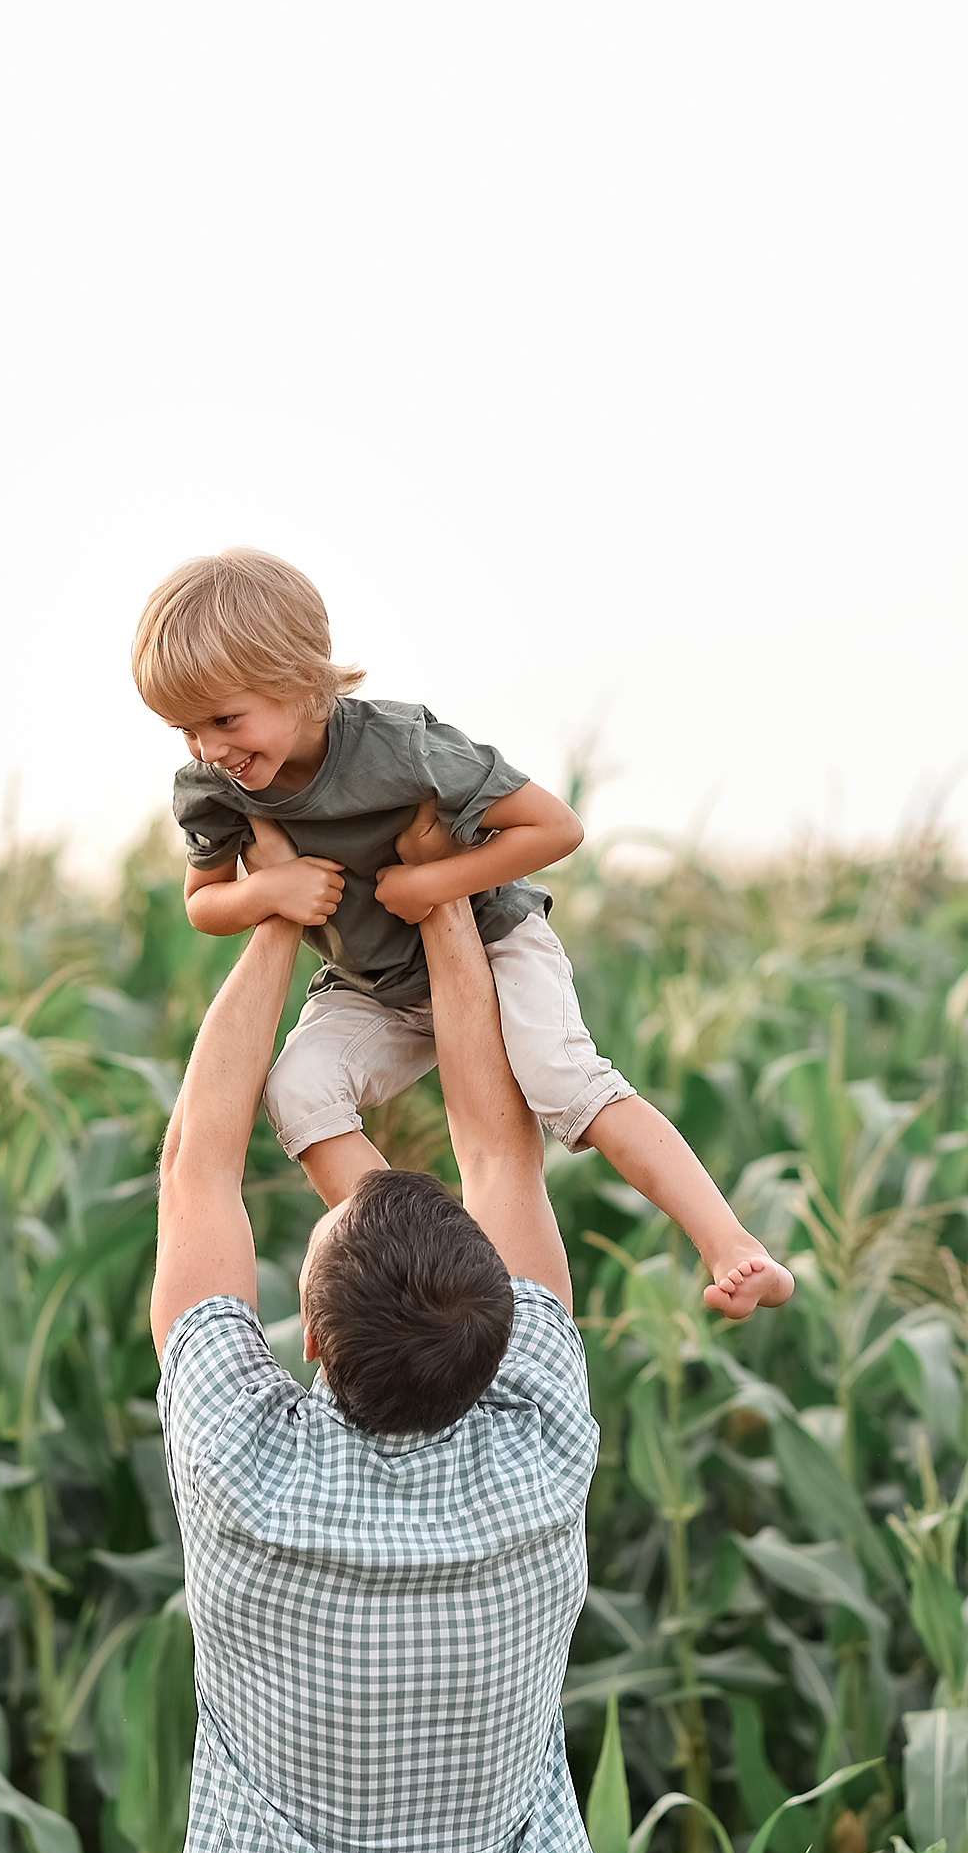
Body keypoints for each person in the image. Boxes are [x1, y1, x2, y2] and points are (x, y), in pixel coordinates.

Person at [134, 547, 790, 1319]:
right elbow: (205, 902)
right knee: (298, 1090)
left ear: (300, 680)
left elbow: (554, 827)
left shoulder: (402, 747)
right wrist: (268, 891)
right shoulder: (213, 789)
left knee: (563, 1077)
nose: (209, 749)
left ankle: (731, 1244)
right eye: (184, 730)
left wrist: (431, 883)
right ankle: (428, 1268)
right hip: (372, 984)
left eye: (224, 720)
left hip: (494, 943)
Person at [152, 808, 604, 1853]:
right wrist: (444, 901)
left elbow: (194, 1164)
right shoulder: (544, 1447)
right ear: (499, 1331)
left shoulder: (238, 1467)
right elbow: (500, 1153)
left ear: (310, 1338)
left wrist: (275, 910)